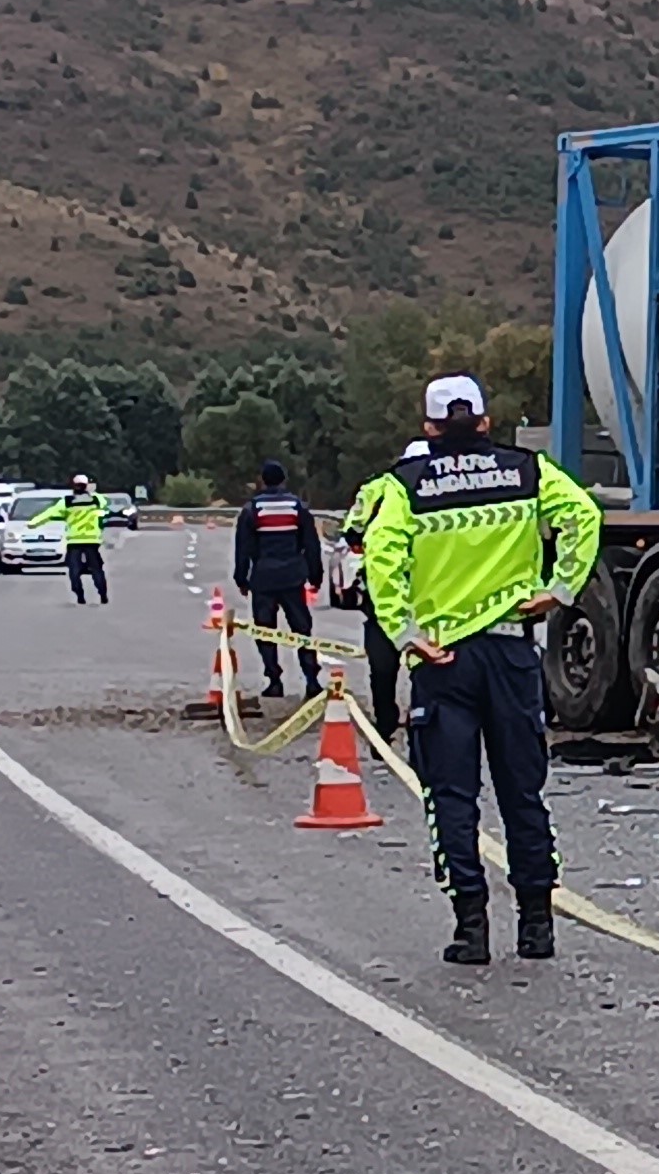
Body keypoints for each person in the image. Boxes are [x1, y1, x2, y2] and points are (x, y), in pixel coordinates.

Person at [360, 377, 600, 966]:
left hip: (445, 661)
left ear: (430, 429)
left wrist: (406, 636)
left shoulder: (404, 486)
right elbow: (585, 516)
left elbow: (380, 561)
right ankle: (536, 925)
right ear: (487, 423)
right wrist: (560, 590)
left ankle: (471, 928)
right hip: (513, 653)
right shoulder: (528, 471)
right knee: (523, 790)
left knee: (451, 796)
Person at [332, 439, 431, 741]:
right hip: (434, 588)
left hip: (386, 587)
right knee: (429, 661)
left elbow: (352, 531)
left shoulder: (379, 487)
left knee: (383, 663)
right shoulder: (451, 486)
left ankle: (386, 723)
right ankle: (423, 719)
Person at [231, 458, 325, 697]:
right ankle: (311, 679)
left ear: (262, 481)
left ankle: (274, 680)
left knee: (265, 630)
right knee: (302, 629)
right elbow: (311, 544)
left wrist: (241, 579)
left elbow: (243, 548)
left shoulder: (252, 509)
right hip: (293, 578)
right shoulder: (297, 507)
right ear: (284, 480)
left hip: (263, 579)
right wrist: (316, 575)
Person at [57, 472, 110, 606]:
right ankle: (103, 594)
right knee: (96, 569)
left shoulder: (67, 501)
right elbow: (104, 506)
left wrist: (33, 523)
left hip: (74, 541)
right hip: (92, 541)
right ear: (87, 486)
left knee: (74, 570)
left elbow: (50, 513)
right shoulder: (96, 499)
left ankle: (80, 596)